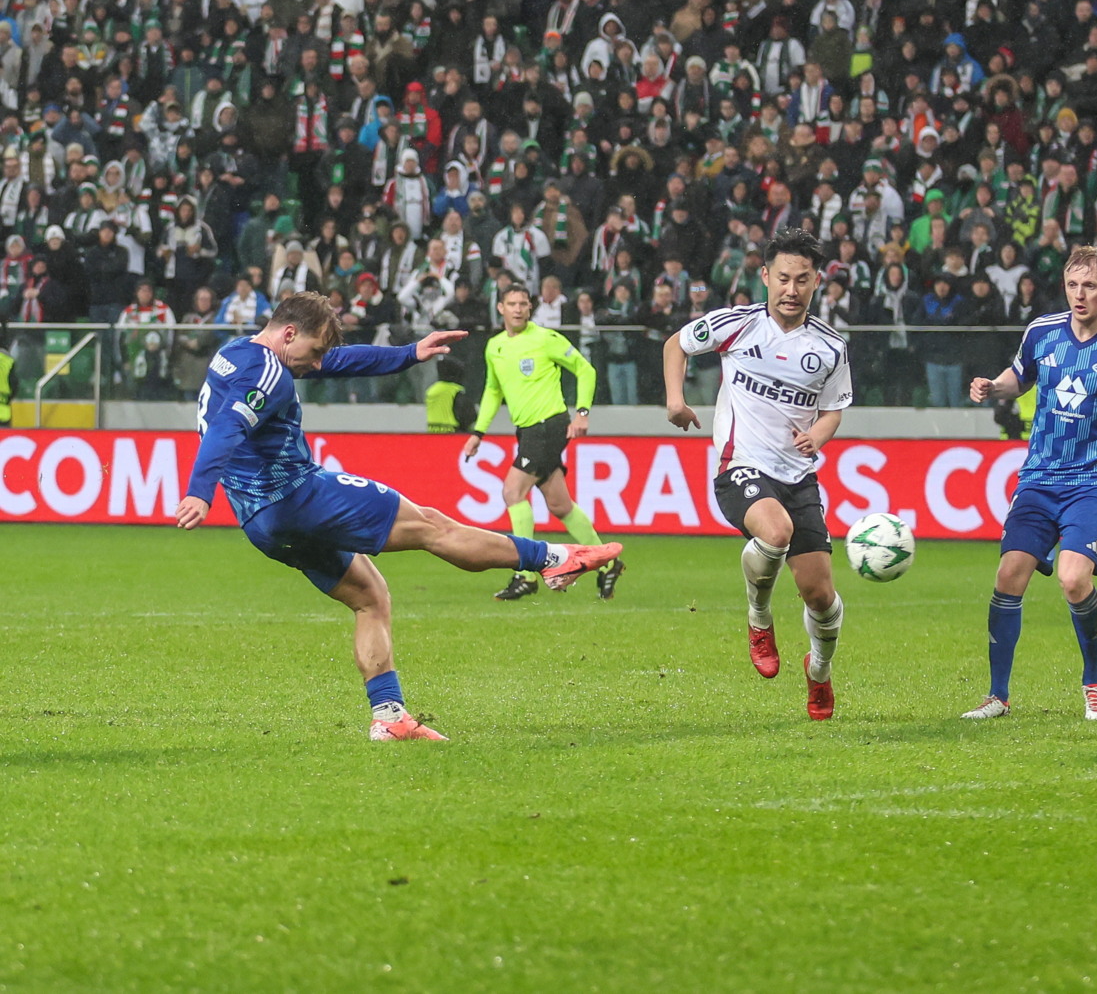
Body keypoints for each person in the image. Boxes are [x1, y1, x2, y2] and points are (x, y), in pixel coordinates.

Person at [177, 292, 622, 741]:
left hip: (261, 523)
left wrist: (409, 353)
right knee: (433, 527)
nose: (315, 366)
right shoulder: (270, 373)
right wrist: (199, 492)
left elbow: (335, 362)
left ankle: (389, 717)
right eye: (312, 353)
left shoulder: (236, 353)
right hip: (298, 495)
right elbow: (228, 428)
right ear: (289, 334)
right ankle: (549, 558)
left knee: (371, 597)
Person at [962, 245, 1097, 723]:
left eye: (1090, 286)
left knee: (1074, 580)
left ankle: (1094, 681)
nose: (1080, 294)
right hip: (1038, 478)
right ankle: (997, 696)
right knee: (1008, 575)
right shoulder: (1041, 332)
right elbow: (1020, 377)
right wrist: (992, 386)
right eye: (1073, 285)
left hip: (1093, 482)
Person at [662, 228, 852, 721]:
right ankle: (759, 619)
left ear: (816, 284)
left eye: (802, 280)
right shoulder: (737, 325)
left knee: (821, 596)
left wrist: (821, 436)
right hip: (739, 465)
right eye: (783, 278)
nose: (791, 290)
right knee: (776, 531)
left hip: (799, 477)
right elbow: (675, 345)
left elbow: (832, 410)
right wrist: (676, 401)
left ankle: (820, 673)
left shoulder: (831, 348)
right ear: (765, 277)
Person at [462, 283, 622, 601]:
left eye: (524, 303)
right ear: (501, 308)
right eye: (512, 303)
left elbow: (585, 370)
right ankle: (609, 564)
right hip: (528, 430)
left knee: (512, 491)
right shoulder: (494, 346)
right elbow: (493, 391)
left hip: (549, 425)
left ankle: (524, 574)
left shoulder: (545, 339)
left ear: (530, 308)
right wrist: (478, 433)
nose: (519, 309)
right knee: (560, 504)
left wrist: (583, 413)